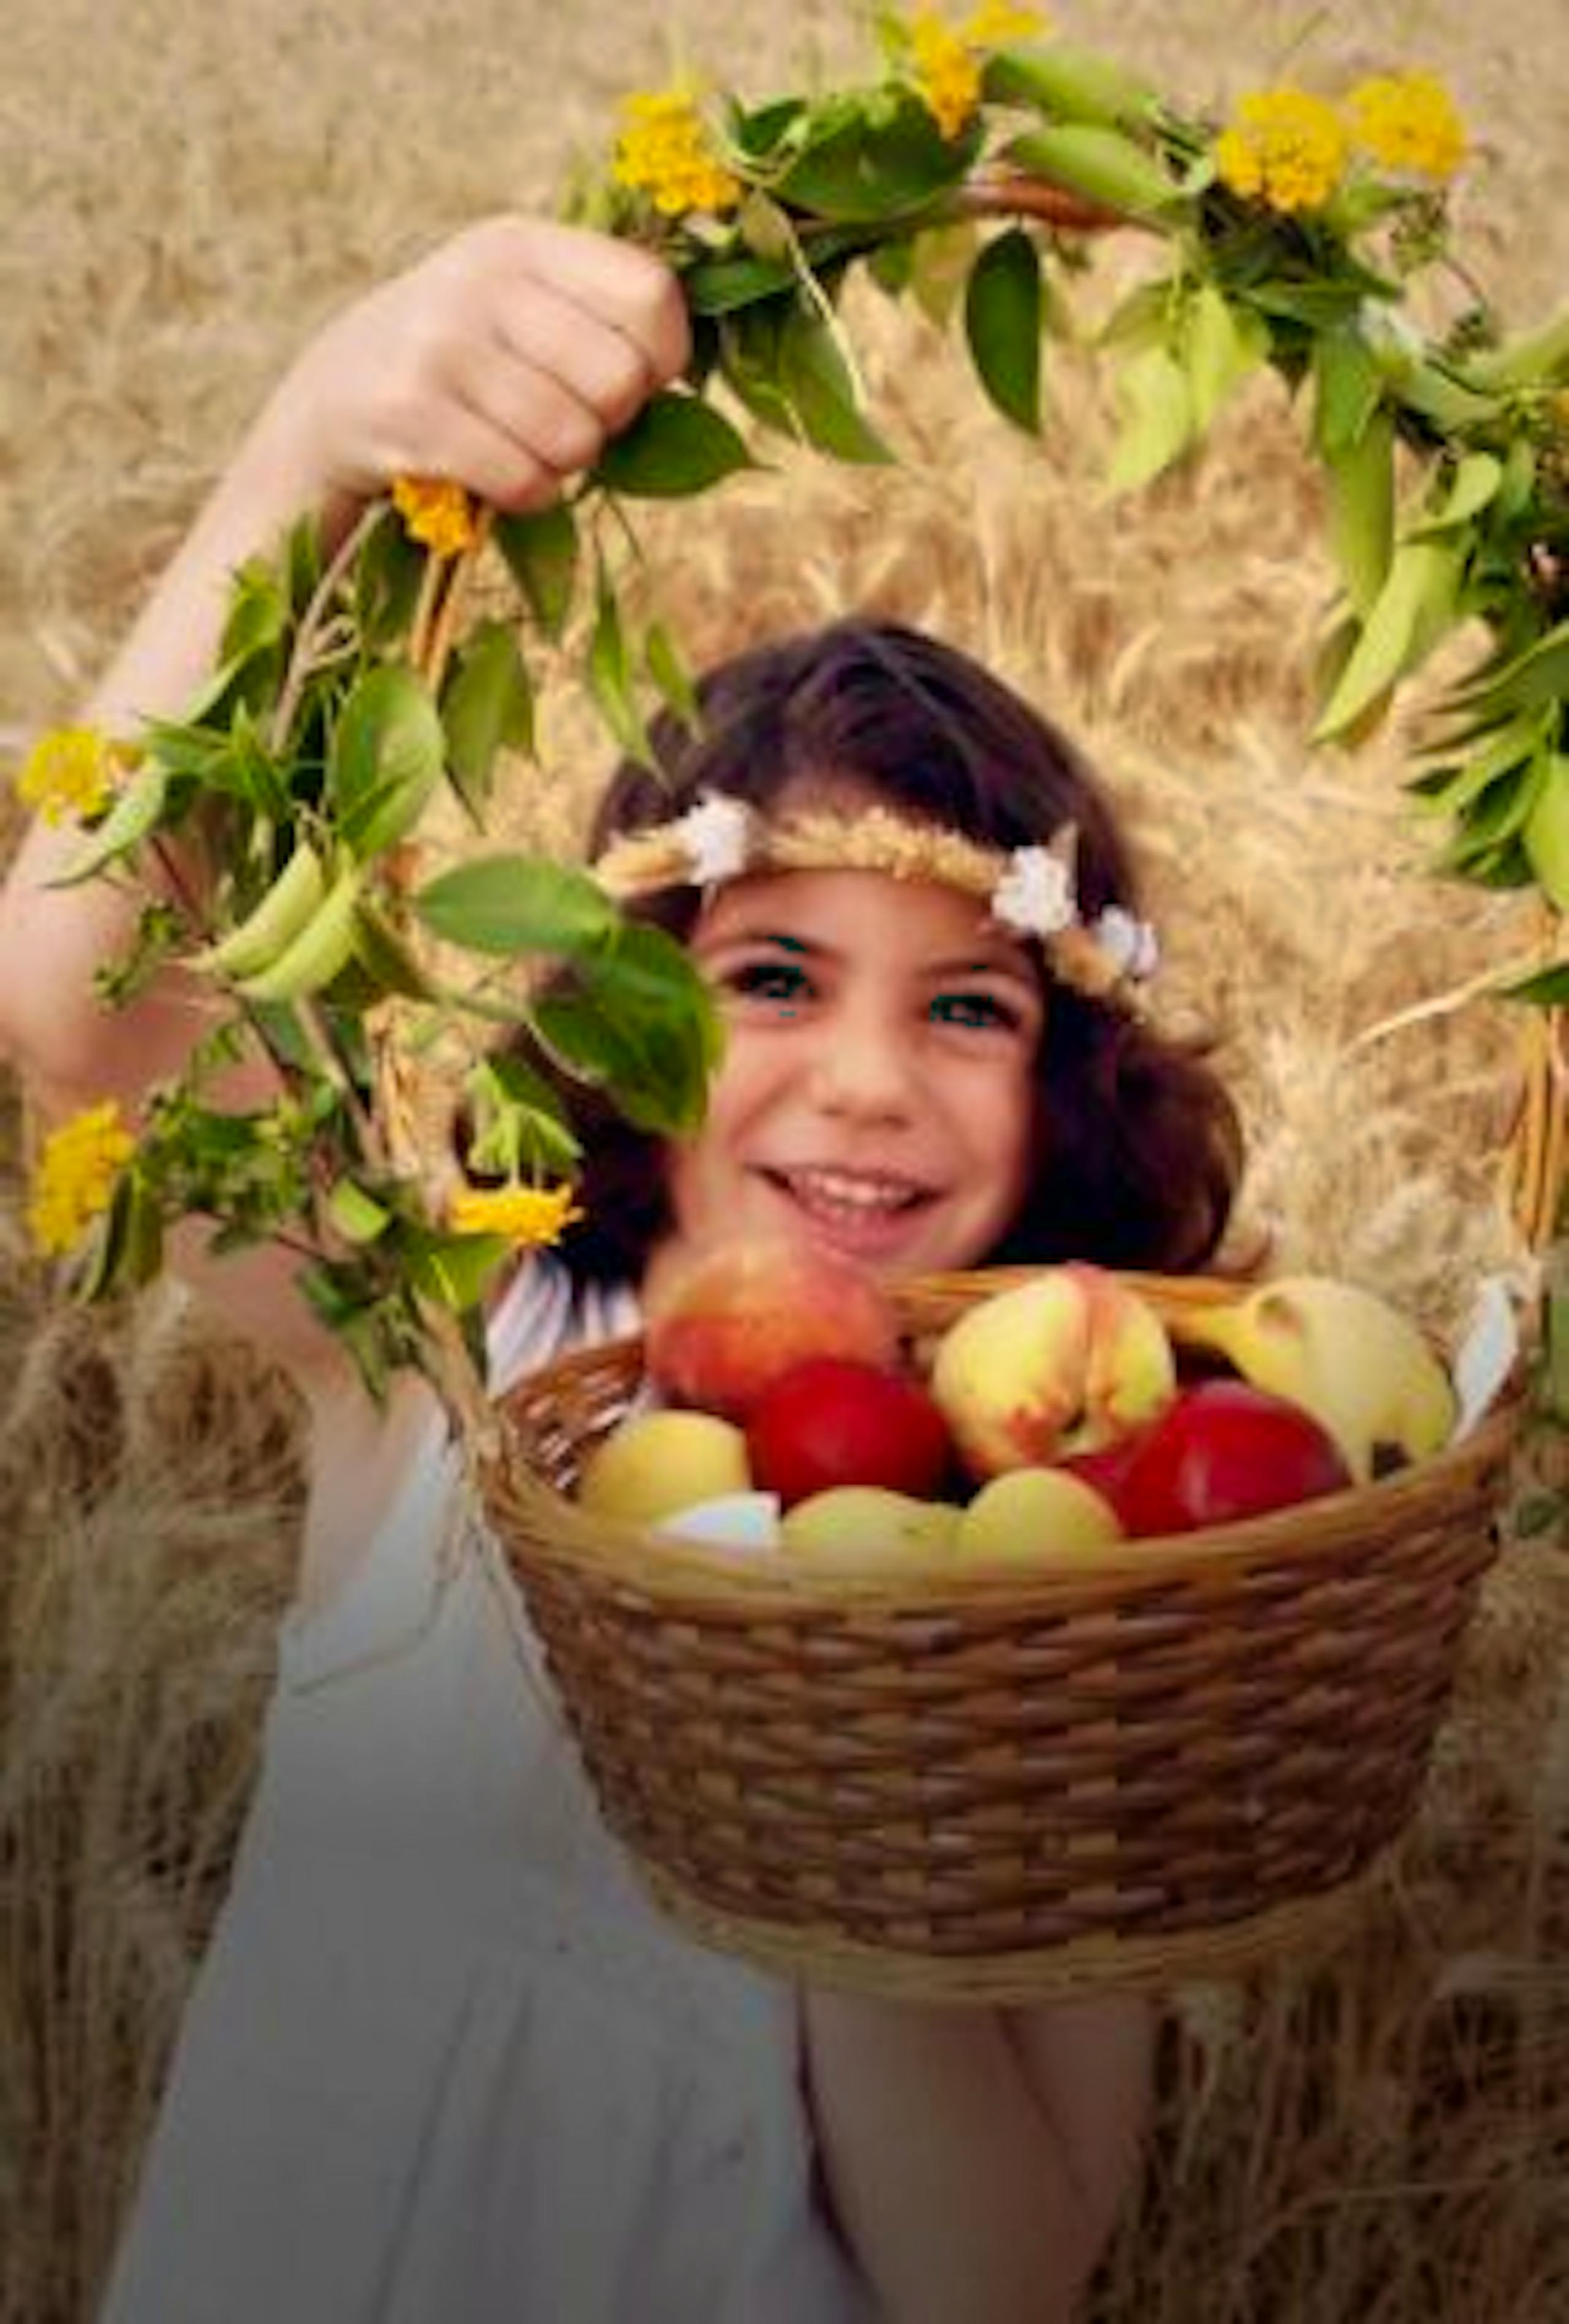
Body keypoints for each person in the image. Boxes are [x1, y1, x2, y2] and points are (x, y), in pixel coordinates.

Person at [0, 216, 1243, 2324]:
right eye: (774, 979)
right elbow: (77, 1000)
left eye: (969, 1012)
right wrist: (314, 445)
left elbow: (998, 2277)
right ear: (625, 1020)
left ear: (1065, 1102)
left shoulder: (1066, 1564)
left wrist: (838, 1762)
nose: (864, 1085)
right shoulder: (468, 1363)